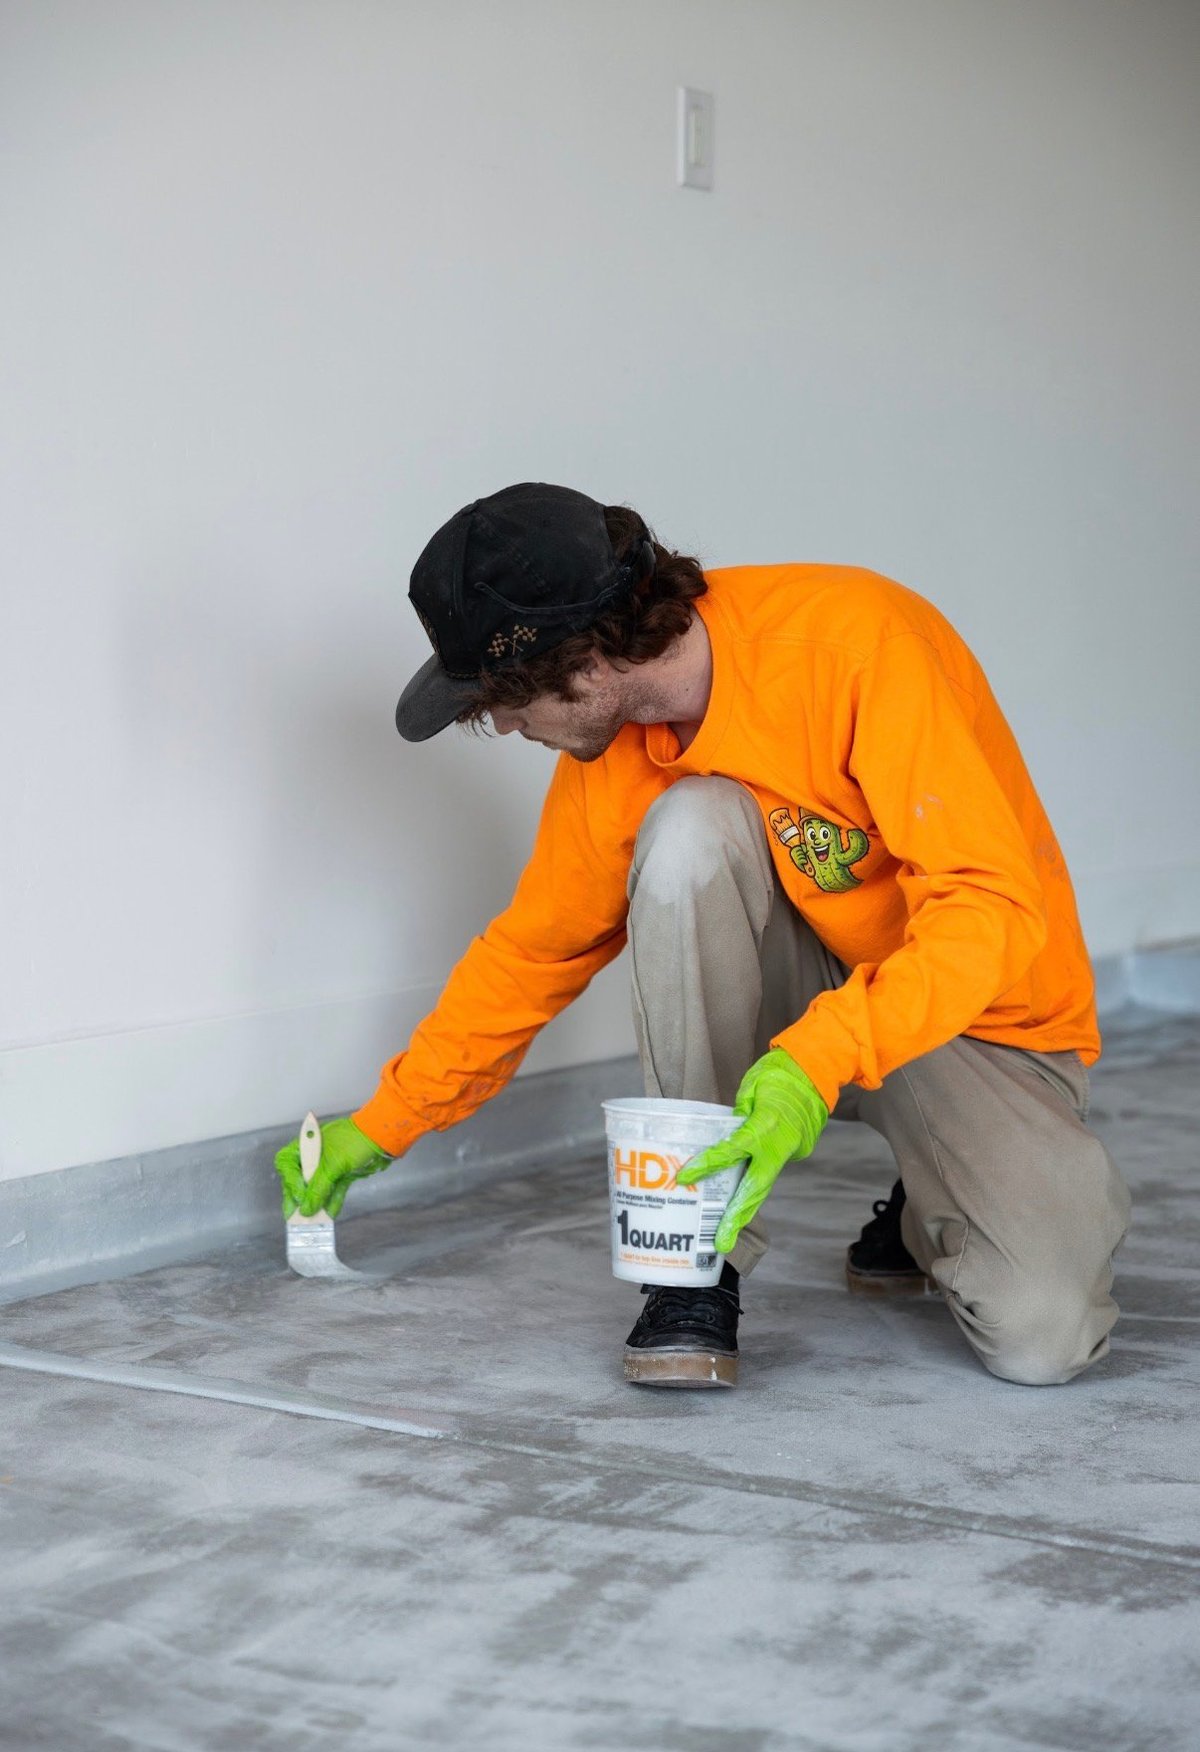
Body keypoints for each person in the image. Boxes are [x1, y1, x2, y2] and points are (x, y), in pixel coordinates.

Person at [275, 482, 1129, 1390]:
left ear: (584, 663)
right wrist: (386, 1123)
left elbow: (988, 906)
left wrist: (820, 1058)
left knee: (1044, 1338)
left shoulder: (860, 645)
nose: (510, 728)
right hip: (809, 996)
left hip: (972, 1017)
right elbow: (537, 951)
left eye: (506, 701)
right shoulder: (614, 756)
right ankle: (695, 1256)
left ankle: (933, 1203)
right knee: (690, 827)